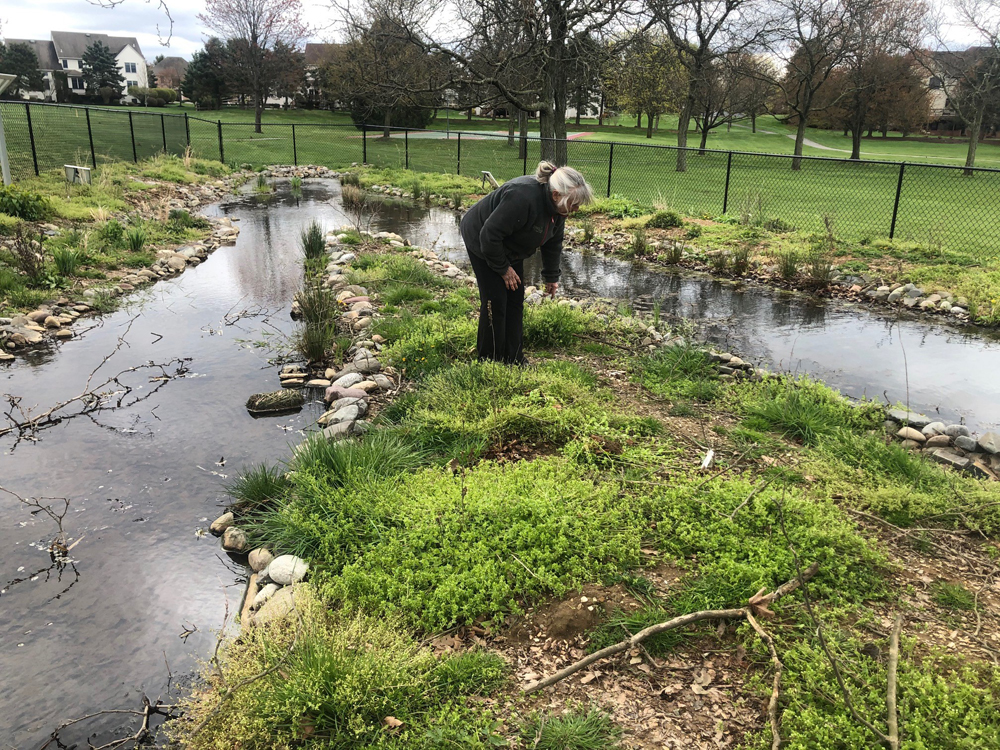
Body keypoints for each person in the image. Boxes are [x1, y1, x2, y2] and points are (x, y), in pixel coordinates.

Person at [461, 161, 594, 364]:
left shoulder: (559, 209)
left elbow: (553, 243)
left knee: (515, 298)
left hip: (510, 245)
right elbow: (489, 236)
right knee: (495, 301)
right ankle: (489, 361)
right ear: (556, 194)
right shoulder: (522, 196)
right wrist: (503, 269)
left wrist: (551, 276)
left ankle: (513, 358)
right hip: (482, 239)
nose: (576, 209)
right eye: (574, 203)